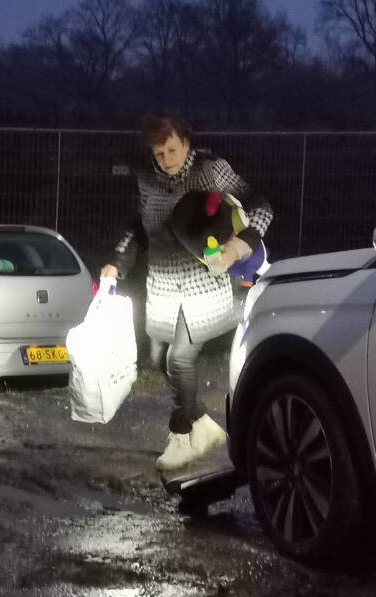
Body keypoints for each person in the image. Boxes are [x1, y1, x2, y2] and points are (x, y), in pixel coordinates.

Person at [102, 113, 272, 475]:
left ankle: (180, 436)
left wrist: (237, 247)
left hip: (203, 283)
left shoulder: (210, 170)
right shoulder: (147, 179)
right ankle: (204, 426)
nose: (166, 159)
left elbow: (260, 207)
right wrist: (118, 262)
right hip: (162, 286)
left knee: (179, 359)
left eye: (172, 150)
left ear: (187, 144)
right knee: (158, 359)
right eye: (159, 152)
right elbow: (138, 227)